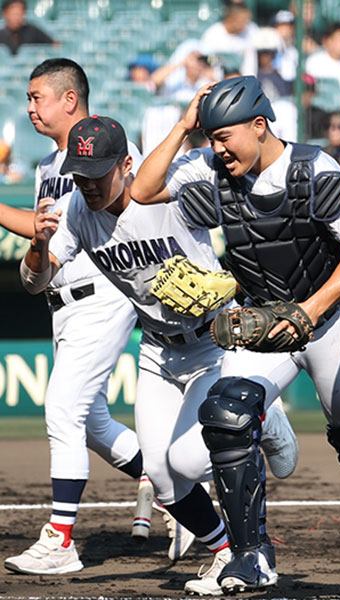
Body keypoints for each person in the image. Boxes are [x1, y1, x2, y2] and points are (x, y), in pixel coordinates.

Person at [130, 76, 340, 599]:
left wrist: (309, 311)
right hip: (262, 320)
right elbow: (142, 190)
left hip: (332, 317)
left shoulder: (313, 168)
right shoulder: (211, 168)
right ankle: (251, 556)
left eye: (225, 137)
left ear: (259, 125)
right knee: (225, 417)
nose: (218, 150)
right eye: (211, 138)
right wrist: (184, 125)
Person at [18, 113, 298, 594]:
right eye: (80, 175)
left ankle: (258, 415)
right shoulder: (76, 211)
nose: (88, 185)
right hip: (158, 350)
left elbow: (242, 176)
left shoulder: (170, 193)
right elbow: (33, 281)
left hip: (214, 342)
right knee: (163, 479)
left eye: (98, 173)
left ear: (127, 165)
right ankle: (224, 551)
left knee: (189, 461)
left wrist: (187, 127)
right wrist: (39, 246)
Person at [2, 59, 146, 576]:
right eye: (28, 97)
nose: (30, 107)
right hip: (62, 299)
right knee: (92, 421)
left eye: (37, 96)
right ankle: (175, 486)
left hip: (102, 292)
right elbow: (45, 229)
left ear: (69, 99)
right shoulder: (48, 165)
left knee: (63, 410)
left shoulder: (109, 150)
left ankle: (60, 539)